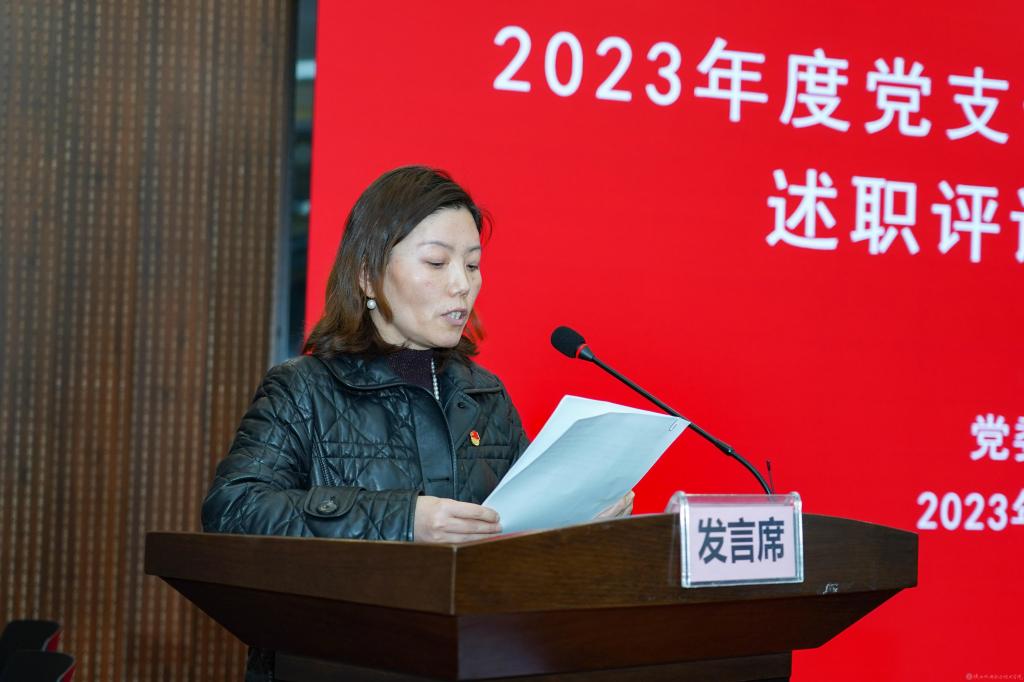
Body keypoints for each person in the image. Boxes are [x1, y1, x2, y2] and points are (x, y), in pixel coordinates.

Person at [201, 165, 633, 679]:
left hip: (477, 658)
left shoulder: (484, 395)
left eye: (472, 265)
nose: (462, 285)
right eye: (437, 262)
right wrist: (404, 519)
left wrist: (573, 525)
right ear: (367, 274)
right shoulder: (304, 388)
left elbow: (514, 535)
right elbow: (234, 508)